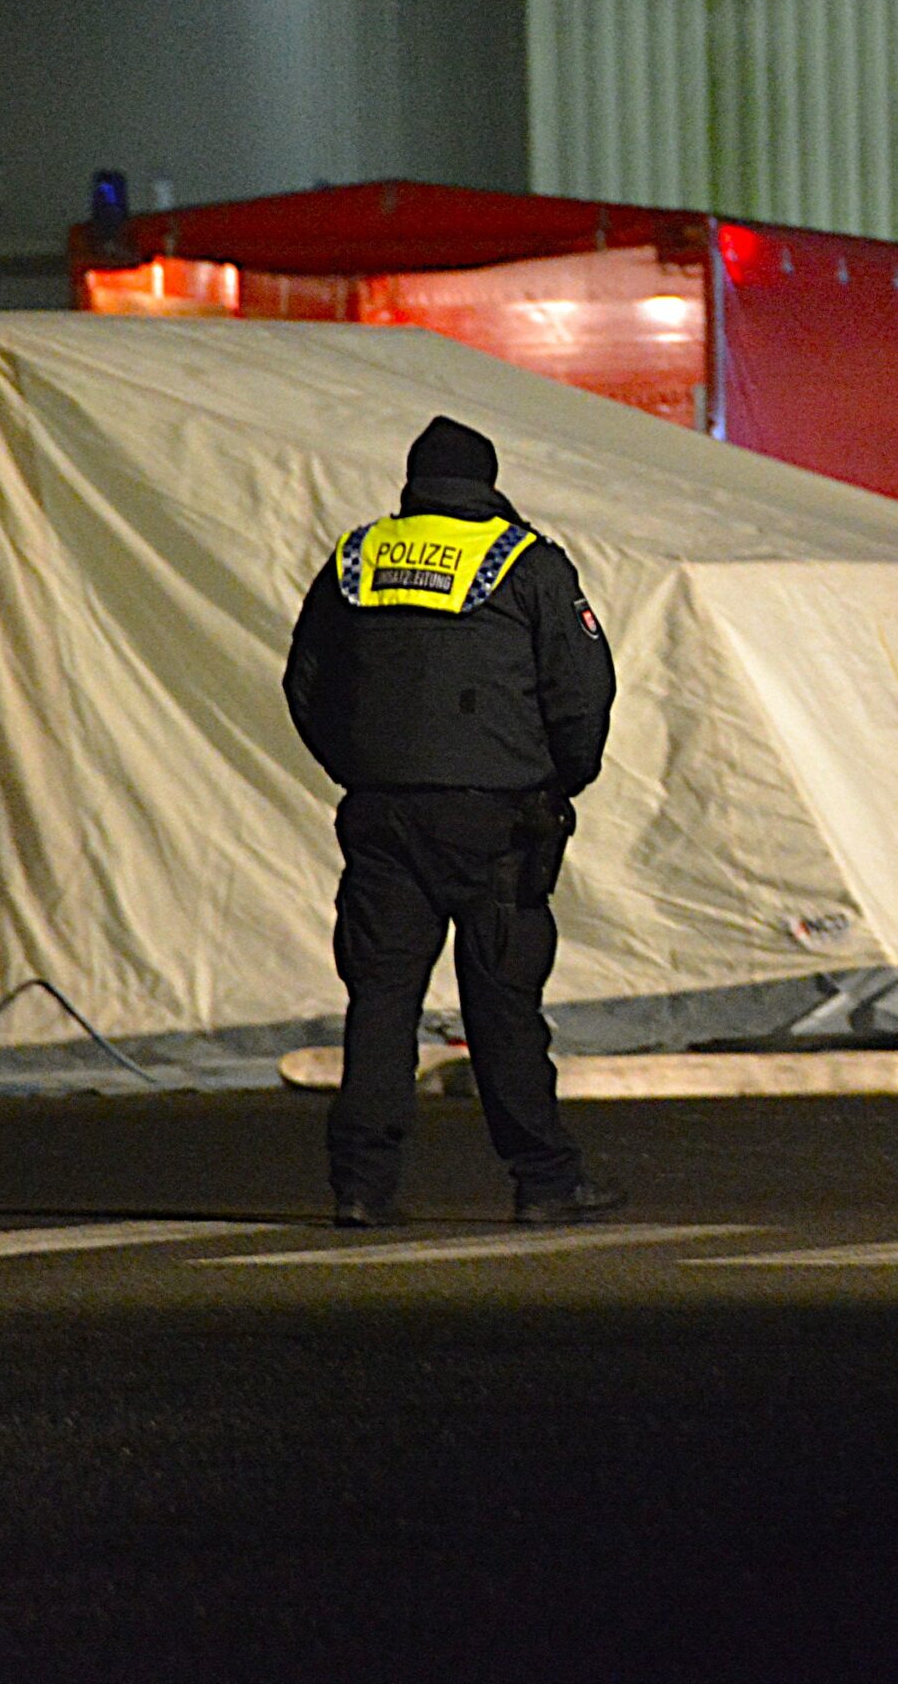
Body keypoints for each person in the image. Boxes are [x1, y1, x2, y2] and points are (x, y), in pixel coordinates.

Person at [282, 415, 623, 1227]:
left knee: (381, 999)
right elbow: (582, 691)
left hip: (383, 814)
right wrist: (557, 779)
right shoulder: (527, 562)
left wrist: (359, 765)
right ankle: (542, 1179)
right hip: (497, 820)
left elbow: (305, 682)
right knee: (503, 1002)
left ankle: (361, 1186)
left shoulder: (357, 559)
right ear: (489, 482)